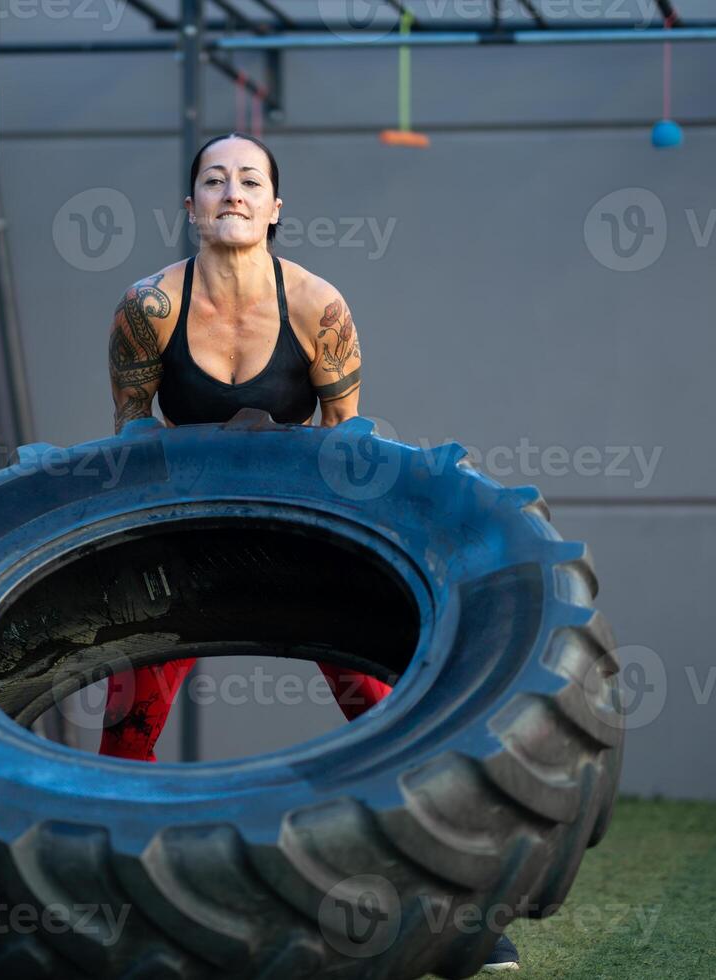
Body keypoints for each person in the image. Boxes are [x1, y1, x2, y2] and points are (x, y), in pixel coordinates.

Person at [102, 133, 519, 973]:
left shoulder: (319, 306)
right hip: (189, 536)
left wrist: (348, 570)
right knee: (127, 729)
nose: (232, 192)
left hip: (297, 530)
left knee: (388, 713)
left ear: (275, 206)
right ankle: (110, 915)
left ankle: (459, 918)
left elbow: (349, 453)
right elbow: (131, 444)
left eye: (250, 180)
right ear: (190, 206)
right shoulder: (148, 307)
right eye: (213, 180)